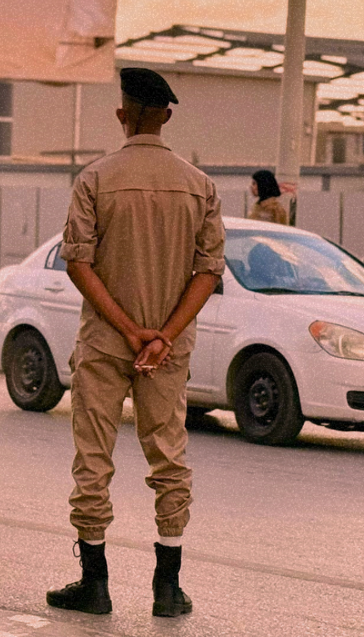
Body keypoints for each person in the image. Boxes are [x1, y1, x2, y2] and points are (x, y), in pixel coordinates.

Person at [47, 67, 225, 619]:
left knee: (93, 460)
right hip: (167, 352)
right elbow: (208, 271)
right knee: (169, 459)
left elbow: (78, 263)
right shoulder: (200, 185)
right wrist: (163, 336)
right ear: (166, 115)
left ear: (123, 114)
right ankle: (167, 589)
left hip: (105, 342)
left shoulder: (95, 179)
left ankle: (94, 584)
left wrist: (127, 331)